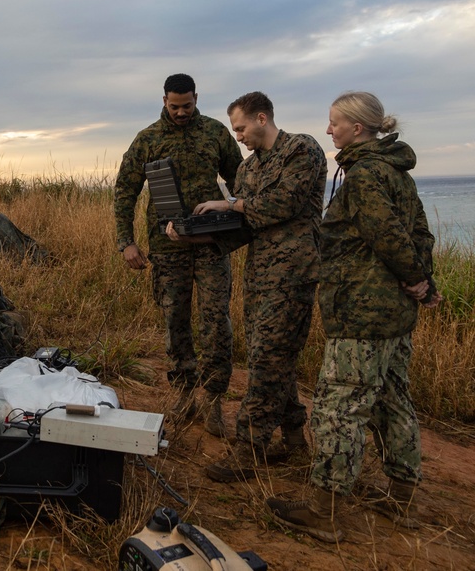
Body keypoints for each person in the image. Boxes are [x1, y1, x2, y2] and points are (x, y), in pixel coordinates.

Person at [267, 91, 440, 543]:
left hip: (362, 312)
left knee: (337, 407)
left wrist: (415, 277)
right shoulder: (397, 172)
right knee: (392, 399)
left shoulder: (363, 175)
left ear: (357, 128)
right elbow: (420, 232)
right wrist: (422, 282)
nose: (329, 130)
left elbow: (387, 235)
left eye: (334, 123)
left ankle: (324, 512)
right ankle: (401, 500)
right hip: (395, 313)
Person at [167, 92, 327, 481]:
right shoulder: (250, 169)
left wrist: (230, 204)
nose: (237, 137)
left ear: (261, 117)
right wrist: (195, 236)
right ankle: (293, 443)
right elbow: (245, 226)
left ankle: (247, 449)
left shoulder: (301, 150)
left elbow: (282, 204)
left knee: (267, 360)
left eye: (240, 128)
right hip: (260, 275)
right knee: (272, 357)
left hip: (293, 274)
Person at [114, 73, 243, 435]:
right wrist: (126, 242)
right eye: (175, 106)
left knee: (216, 320)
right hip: (167, 248)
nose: (182, 112)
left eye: (187, 105)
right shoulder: (148, 139)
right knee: (175, 321)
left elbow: (241, 183)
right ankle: (184, 392)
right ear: (164, 100)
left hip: (210, 244)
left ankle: (213, 400)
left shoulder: (216, 133)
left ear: (196, 98)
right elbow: (124, 191)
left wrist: (239, 211)